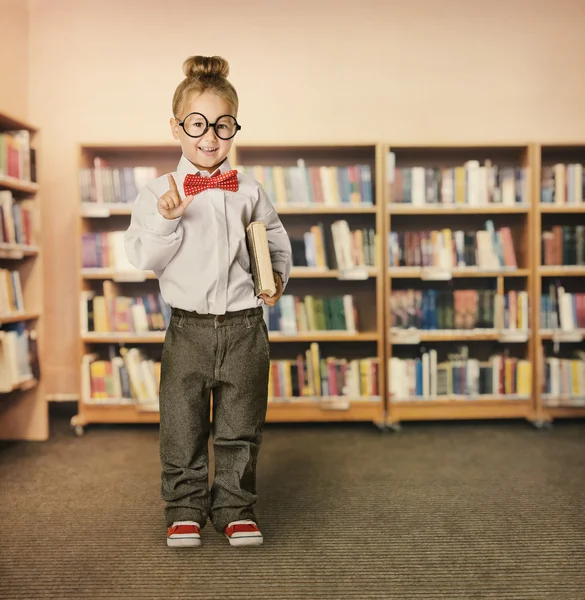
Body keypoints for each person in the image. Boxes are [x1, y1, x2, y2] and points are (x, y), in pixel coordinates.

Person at [124, 55, 292, 548]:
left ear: (234, 127)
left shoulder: (250, 189)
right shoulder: (158, 192)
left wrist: (276, 277)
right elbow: (143, 256)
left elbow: (275, 240)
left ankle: (236, 509)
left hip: (245, 326)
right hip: (188, 329)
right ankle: (184, 509)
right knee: (183, 425)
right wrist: (167, 218)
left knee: (241, 426)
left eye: (222, 125)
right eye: (197, 124)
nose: (210, 136)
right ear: (176, 128)